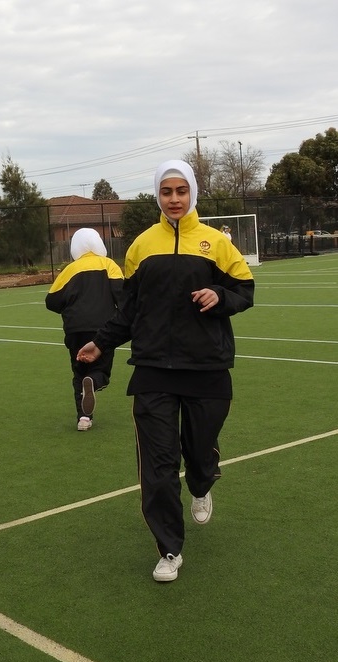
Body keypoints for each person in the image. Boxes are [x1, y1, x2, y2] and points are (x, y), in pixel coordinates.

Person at [77, 160, 254, 581]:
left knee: (198, 452)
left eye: (181, 191)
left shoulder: (216, 243)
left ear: (192, 193)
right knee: (156, 464)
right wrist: (101, 341)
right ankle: (169, 549)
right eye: (166, 192)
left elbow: (244, 289)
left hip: (207, 367)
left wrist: (220, 295)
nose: (174, 199)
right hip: (153, 368)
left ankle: (202, 480)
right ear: (158, 195)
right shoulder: (141, 246)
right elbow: (131, 308)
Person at [45, 228, 124, 430]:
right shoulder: (109, 265)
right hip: (103, 328)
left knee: (78, 372)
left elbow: (51, 301)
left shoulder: (69, 270)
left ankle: (84, 418)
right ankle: (94, 382)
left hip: (75, 329)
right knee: (101, 371)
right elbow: (122, 296)